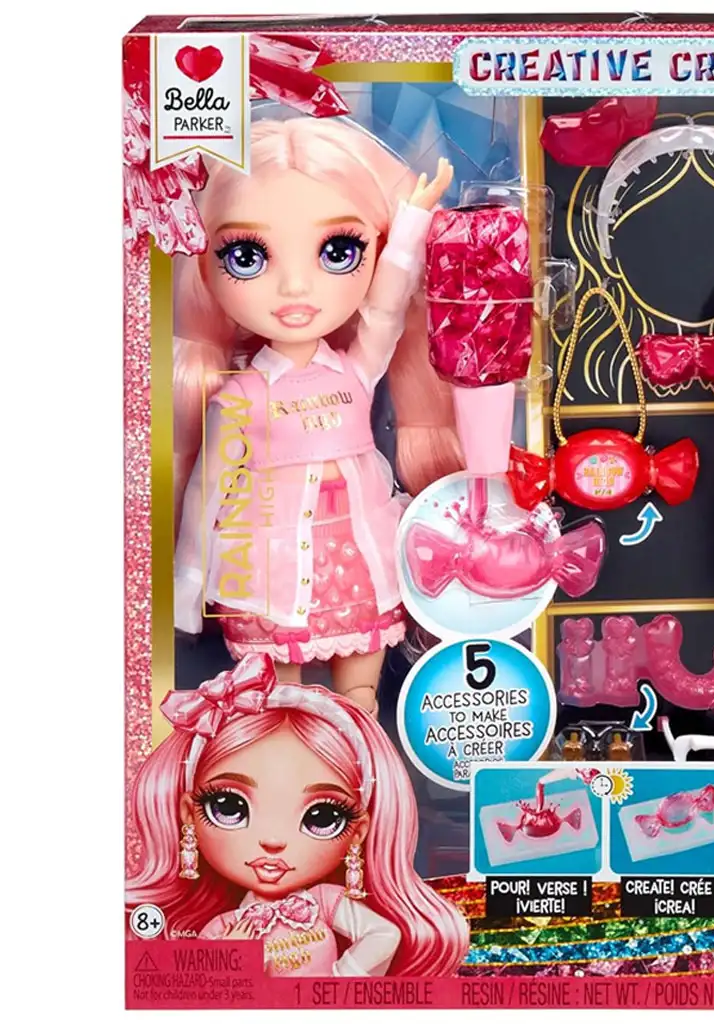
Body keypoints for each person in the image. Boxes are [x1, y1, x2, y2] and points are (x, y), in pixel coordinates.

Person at [173, 116, 462, 715]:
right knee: (277, 705)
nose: (296, 288)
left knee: (360, 698)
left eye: (338, 251)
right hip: (270, 575)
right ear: (206, 267)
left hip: (360, 563)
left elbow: (384, 311)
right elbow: (207, 492)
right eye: (247, 256)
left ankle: (364, 758)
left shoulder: (354, 371)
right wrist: (188, 583)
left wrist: (411, 221)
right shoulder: (241, 395)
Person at [126, 655, 469, 976]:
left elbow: (384, 934)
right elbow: (200, 989)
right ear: (189, 814)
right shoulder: (223, 927)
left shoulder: (322, 902)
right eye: (229, 807)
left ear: (358, 831)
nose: (273, 841)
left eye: (322, 816)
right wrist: (236, 956)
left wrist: (337, 984)